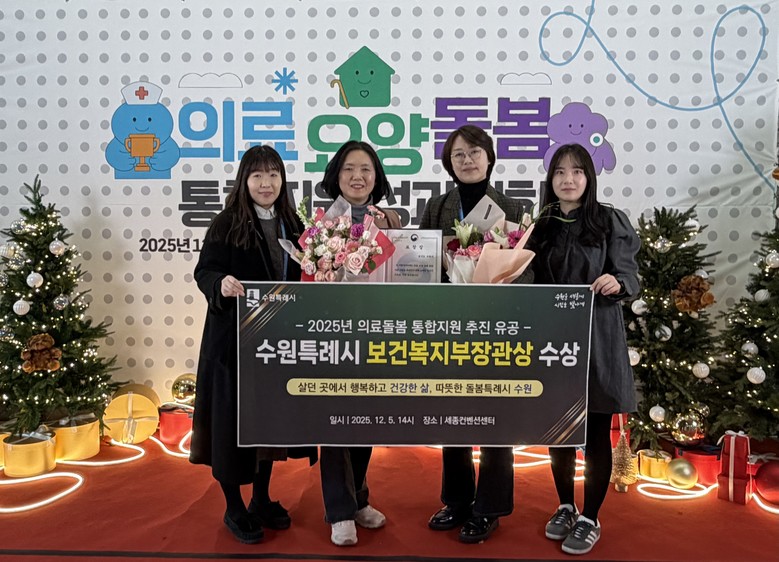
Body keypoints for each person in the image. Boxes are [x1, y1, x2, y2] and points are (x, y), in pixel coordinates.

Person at [190, 145, 316, 544]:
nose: (266, 183)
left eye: (274, 175)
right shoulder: (226, 222)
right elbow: (205, 270)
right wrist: (220, 283)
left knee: (267, 428)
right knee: (232, 429)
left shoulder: (293, 222)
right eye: (258, 175)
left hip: (277, 345)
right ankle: (234, 507)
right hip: (234, 345)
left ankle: (261, 498)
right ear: (244, 180)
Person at [527, 143, 640, 555]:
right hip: (553, 337)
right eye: (559, 172)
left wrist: (617, 282)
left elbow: (630, 276)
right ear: (550, 179)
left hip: (597, 336)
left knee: (594, 430)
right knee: (559, 428)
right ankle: (565, 505)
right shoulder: (540, 224)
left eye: (576, 171)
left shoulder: (609, 221)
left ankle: (590, 516)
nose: (568, 179)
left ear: (589, 177)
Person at [419, 125, 527, 543]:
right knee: (454, 412)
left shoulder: (512, 206)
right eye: (458, 155)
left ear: (489, 158)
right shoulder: (437, 206)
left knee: (496, 416)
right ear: (449, 163)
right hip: (448, 325)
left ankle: (490, 507)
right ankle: (457, 499)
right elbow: (422, 263)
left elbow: (525, 268)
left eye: (474, 152)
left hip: (496, 327)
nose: (467, 160)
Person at [318, 140, 400, 547]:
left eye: (366, 169)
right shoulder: (319, 225)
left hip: (378, 332)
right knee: (334, 421)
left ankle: (359, 498)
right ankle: (339, 511)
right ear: (337, 175)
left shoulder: (389, 222)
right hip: (333, 334)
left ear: (376, 177)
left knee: (366, 417)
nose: (357, 176)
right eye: (349, 168)